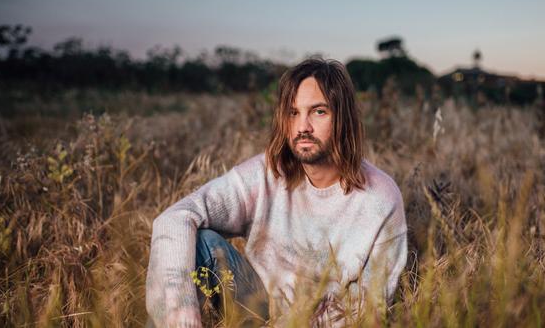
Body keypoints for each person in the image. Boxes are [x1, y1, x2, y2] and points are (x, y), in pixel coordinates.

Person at [145, 58, 407, 327]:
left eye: (318, 112)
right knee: (203, 243)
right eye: (293, 113)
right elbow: (174, 218)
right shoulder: (266, 174)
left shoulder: (380, 199)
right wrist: (181, 310)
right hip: (258, 309)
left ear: (344, 117)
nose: (302, 126)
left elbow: (364, 313)